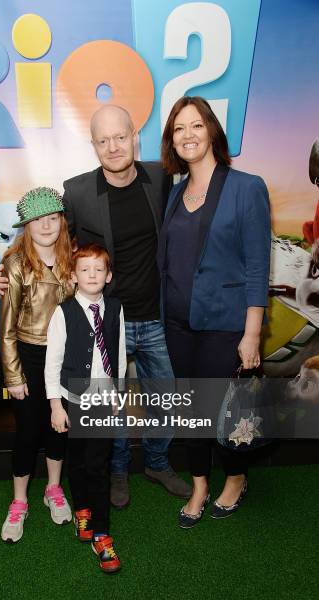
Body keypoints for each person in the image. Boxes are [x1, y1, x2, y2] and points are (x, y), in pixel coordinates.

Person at [0, 104, 192, 508]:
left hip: (152, 315)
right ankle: (117, 469)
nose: (113, 146)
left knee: (166, 395)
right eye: (103, 140)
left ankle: (156, 461)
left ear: (134, 136)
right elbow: (46, 233)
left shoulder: (160, 177)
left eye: (120, 137)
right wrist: (10, 270)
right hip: (107, 319)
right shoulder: (79, 191)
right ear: (93, 146)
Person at [157, 96, 271, 527]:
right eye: (179, 128)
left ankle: (236, 478)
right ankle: (200, 484)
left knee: (227, 409)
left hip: (225, 326)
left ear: (212, 132)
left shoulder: (247, 187)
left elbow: (258, 264)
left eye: (196, 126)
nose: (188, 135)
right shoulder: (173, 194)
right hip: (178, 324)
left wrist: (252, 334)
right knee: (190, 410)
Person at [0, 187, 74, 543]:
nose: (46, 226)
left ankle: (54, 490)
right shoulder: (15, 266)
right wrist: (14, 376)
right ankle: (19, 502)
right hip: (28, 358)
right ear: (26, 226)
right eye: (38, 220)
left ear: (62, 221)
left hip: (62, 361)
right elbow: (6, 329)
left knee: (59, 428)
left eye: (53, 218)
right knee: (28, 432)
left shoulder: (71, 261)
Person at [45, 244, 126, 573]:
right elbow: (53, 362)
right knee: (77, 461)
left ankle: (103, 536)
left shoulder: (116, 309)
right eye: (84, 270)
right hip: (71, 400)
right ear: (73, 276)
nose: (91, 275)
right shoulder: (63, 312)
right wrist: (55, 405)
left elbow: (119, 354)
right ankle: (82, 512)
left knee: (98, 466)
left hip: (103, 400)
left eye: (98, 270)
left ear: (108, 276)